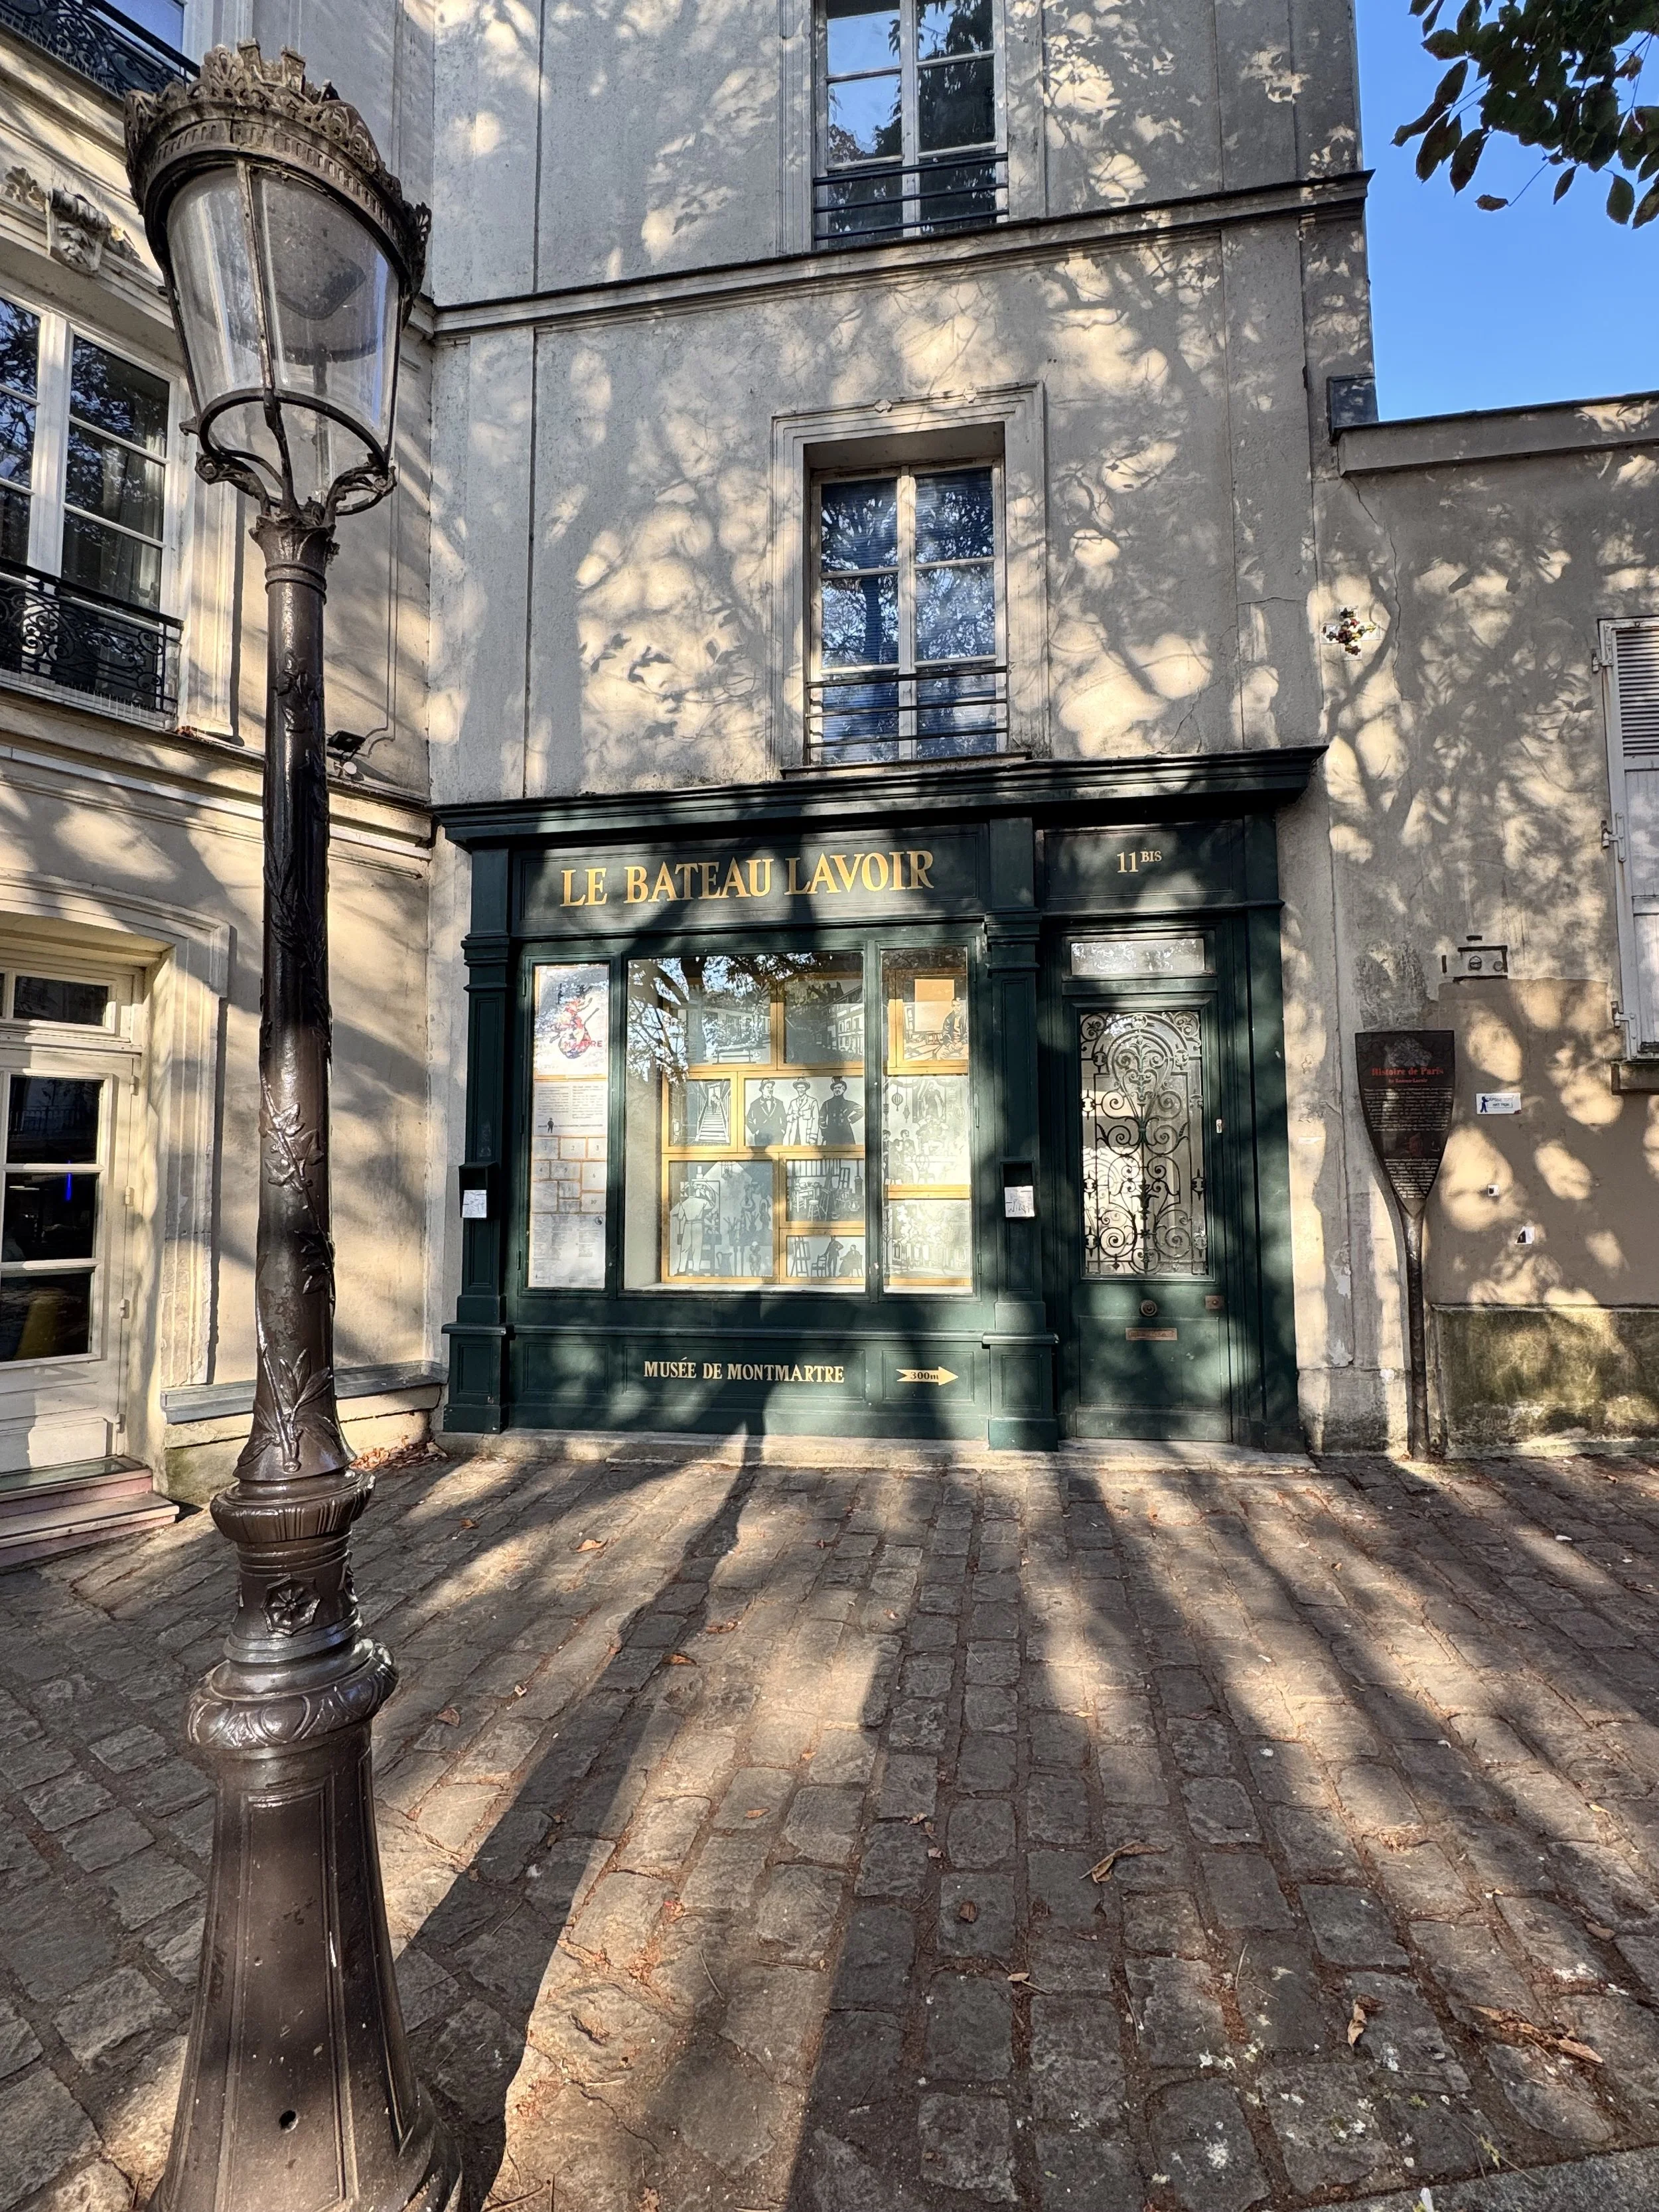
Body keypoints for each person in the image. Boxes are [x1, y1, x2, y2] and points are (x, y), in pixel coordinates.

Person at [818, 1074, 861, 1147]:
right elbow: (821, 1118)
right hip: (832, 1135)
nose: (837, 1090)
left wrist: (851, 1119)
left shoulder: (848, 1104)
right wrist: (825, 1132)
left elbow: (861, 1110)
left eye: (839, 1088)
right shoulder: (827, 1104)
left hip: (846, 1135)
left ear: (843, 1089)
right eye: (835, 1088)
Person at [746, 1076, 786, 1146]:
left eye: (771, 1087)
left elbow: (784, 1118)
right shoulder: (755, 1104)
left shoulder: (779, 1103)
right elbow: (749, 1119)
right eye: (768, 1087)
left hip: (776, 1137)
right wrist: (756, 1131)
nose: (770, 1089)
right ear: (762, 1089)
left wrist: (783, 1130)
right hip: (761, 1137)